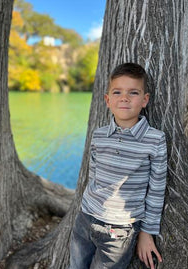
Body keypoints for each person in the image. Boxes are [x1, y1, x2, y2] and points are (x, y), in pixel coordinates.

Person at [69, 63, 167, 269]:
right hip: (85, 219)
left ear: (144, 100)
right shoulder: (99, 135)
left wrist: (147, 232)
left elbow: (156, 190)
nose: (124, 98)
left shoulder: (155, 140)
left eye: (133, 92)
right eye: (117, 92)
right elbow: (93, 174)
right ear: (107, 100)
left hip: (119, 231)